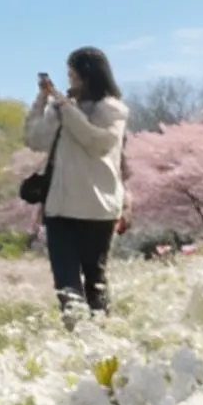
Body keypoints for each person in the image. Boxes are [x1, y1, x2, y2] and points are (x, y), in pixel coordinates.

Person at [24, 47, 128, 315]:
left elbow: (96, 142)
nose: (71, 81)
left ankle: (103, 342)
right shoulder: (62, 107)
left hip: (97, 207)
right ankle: (78, 340)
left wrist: (67, 110)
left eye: (75, 75)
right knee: (66, 284)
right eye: (69, 75)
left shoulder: (111, 109)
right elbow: (34, 139)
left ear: (90, 75)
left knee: (96, 282)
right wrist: (42, 100)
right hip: (60, 207)